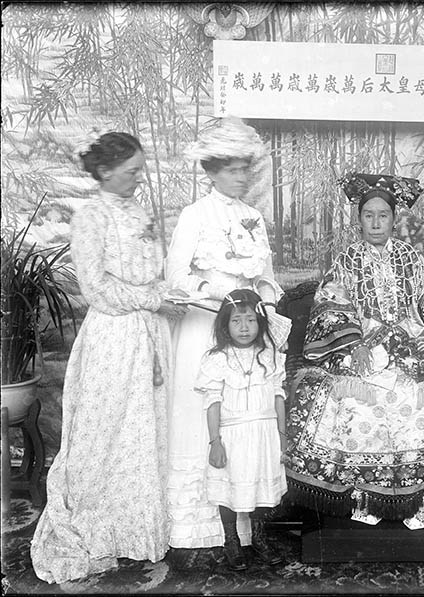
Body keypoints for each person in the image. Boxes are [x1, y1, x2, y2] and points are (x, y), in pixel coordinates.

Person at [31, 132, 187, 583]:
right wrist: (149, 301)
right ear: (105, 171)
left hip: (149, 335)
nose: (140, 178)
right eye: (132, 170)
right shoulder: (91, 217)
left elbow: (152, 272)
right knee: (105, 433)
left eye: (141, 169)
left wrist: (165, 296)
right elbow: (94, 287)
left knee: (142, 433)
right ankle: (97, 532)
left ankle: (136, 537)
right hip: (114, 336)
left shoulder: (137, 212)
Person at [285, 173, 424, 526]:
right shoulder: (347, 260)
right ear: (358, 220)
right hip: (361, 346)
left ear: (394, 218)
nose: (376, 223)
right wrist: (356, 342)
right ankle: (364, 499)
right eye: (368, 215)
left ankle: (422, 499)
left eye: (383, 215)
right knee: (356, 399)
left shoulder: (411, 257)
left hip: (409, 345)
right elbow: (329, 305)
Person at [165, 117, 287, 551]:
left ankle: (245, 525)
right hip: (206, 332)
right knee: (206, 419)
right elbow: (175, 276)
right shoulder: (194, 216)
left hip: (248, 336)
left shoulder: (254, 217)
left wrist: (265, 310)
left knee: (246, 424)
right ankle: (199, 528)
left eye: (244, 169)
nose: (241, 177)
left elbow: (268, 279)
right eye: (232, 170)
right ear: (212, 171)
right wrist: (219, 295)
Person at [196, 289, 290, 570]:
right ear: (225, 325)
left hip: (264, 434)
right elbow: (212, 403)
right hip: (233, 435)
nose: (244, 327)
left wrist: (283, 439)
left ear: (260, 322)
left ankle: (259, 539)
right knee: (230, 489)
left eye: (250, 320)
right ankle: (231, 541)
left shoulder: (270, 354)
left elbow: (278, 398)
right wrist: (216, 443)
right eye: (236, 321)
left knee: (263, 487)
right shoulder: (217, 358)